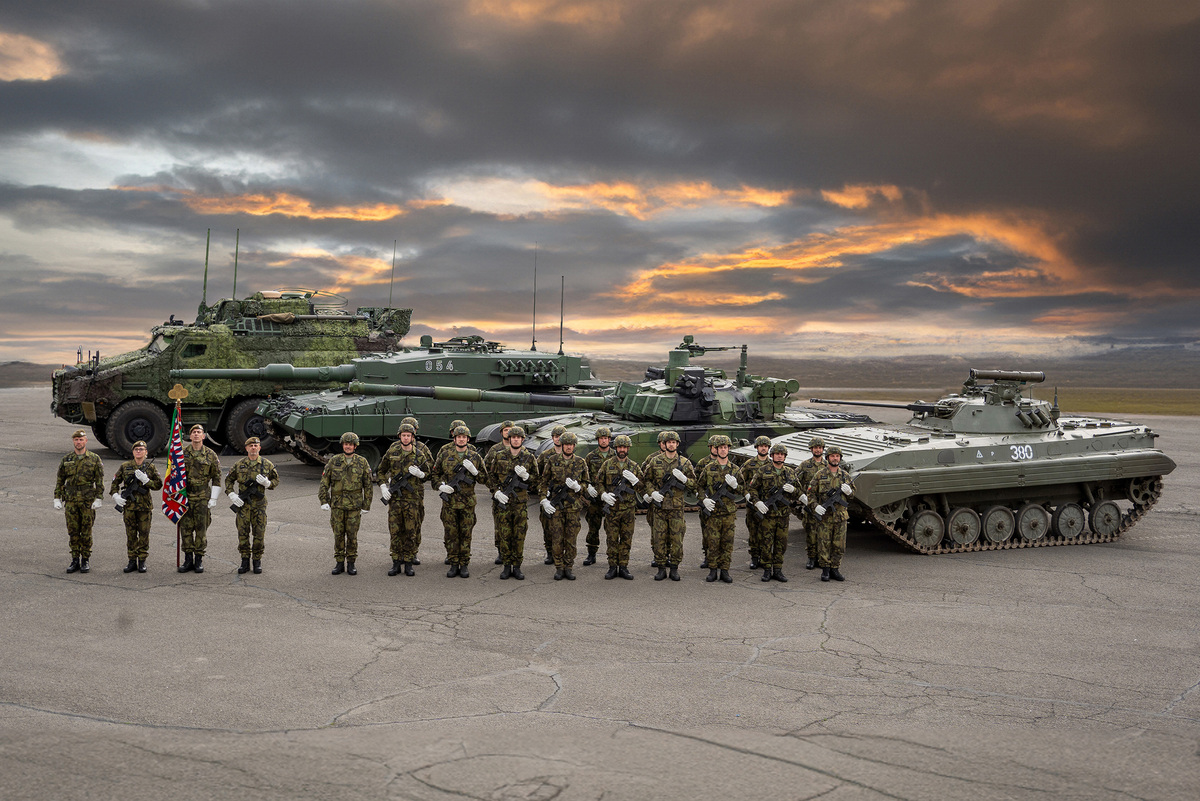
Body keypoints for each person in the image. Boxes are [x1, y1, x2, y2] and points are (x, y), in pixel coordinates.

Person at [485, 424, 539, 580]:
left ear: (522, 439)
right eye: (513, 437)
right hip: (504, 502)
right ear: (510, 439)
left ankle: (517, 567)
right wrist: (496, 492)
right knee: (504, 535)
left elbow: (537, 481)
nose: (515, 440)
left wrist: (527, 477)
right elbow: (491, 477)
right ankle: (506, 566)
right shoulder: (499, 455)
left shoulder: (529, 457)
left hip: (520, 503)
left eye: (518, 437)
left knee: (519, 535)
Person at [433, 424, 487, 577]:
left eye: (464, 437)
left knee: (466, 533)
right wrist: (441, 486)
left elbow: (485, 478)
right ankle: (453, 563)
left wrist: (474, 471)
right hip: (449, 502)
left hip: (467, 503)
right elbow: (435, 476)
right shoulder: (445, 454)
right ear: (454, 438)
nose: (461, 439)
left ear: (468, 439)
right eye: (459, 437)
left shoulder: (475, 457)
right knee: (451, 534)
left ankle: (464, 564)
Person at [641, 430, 696, 581]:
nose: (671, 444)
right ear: (664, 444)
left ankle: (674, 568)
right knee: (659, 538)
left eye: (674, 442)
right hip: (659, 508)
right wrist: (652, 493)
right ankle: (660, 568)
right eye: (668, 442)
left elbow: (694, 484)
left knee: (677, 539)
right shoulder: (655, 461)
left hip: (677, 508)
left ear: (677, 444)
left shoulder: (685, 462)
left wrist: (684, 480)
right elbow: (646, 480)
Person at [377, 423, 431, 576]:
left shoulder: (419, 455)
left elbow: (429, 475)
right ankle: (395, 562)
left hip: (413, 500)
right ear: (399, 436)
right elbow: (381, 471)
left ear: (412, 437)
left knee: (410, 531)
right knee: (395, 531)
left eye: (409, 435)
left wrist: (420, 474)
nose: (406, 437)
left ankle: (408, 562)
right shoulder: (392, 452)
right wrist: (383, 486)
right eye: (403, 435)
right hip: (395, 500)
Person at [319, 432, 374, 576]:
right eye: (345, 444)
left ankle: (351, 563)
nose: (348, 446)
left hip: (354, 506)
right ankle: (339, 563)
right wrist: (323, 500)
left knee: (352, 535)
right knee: (338, 535)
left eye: (350, 444)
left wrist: (366, 505)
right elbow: (325, 482)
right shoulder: (334, 461)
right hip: (337, 505)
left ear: (355, 446)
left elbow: (368, 485)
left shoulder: (362, 462)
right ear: (342, 445)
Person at [538, 431, 589, 580]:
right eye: (566, 444)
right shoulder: (553, 460)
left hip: (573, 508)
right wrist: (543, 500)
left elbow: (586, 483)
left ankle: (569, 567)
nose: (568, 447)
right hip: (557, 508)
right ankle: (559, 567)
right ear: (562, 444)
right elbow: (544, 482)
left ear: (574, 446)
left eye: (571, 445)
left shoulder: (581, 462)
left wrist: (578, 487)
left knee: (571, 539)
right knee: (557, 538)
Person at [225, 436, 280, 575]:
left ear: (259, 448)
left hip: (259, 506)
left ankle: (257, 561)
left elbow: (276, 481)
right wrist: (232, 494)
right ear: (247, 448)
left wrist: (268, 483)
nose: (253, 448)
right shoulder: (239, 465)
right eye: (251, 446)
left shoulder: (266, 464)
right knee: (243, 534)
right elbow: (228, 480)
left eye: (256, 446)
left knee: (259, 534)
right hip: (243, 506)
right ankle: (244, 561)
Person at [54, 429, 104, 574]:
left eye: (81, 440)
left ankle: (85, 560)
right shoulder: (67, 459)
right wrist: (57, 497)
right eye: (76, 440)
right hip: (70, 501)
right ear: (73, 441)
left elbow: (99, 481)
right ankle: (75, 559)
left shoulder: (94, 459)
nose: (78, 442)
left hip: (87, 501)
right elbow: (60, 480)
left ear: (85, 441)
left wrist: (99, 498)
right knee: (73, 531)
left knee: (86, 531)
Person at [109, 440, 163, 573]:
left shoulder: (150, 468)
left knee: (144, 534)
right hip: (129, 507)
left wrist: (146, 481)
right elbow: (115, 482)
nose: (138, 451)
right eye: (136, 449)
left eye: (141, 449)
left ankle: (142, 561)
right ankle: (132, 560)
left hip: (144, 507)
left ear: (146, 452)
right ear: (133, 452)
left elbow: (158, 485)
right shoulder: (125, 466)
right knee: (131, 534)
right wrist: (116, 496)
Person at [748, 443, 799, 582]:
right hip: (767, 515)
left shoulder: (790, 472)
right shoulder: (763, 470)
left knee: (781, 543)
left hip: (783, 515)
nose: (779, 456)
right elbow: (752, 489)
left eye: (782, 454)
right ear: (772, 455)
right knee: (766, 542)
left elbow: (799, 492)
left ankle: (777, 569)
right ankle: (766, 570)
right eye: (777, 454)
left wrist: (793, 490)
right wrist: (757, 502)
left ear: (785, 456)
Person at [596, 434, 643, 580]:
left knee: (626, 539)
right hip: (612, 510)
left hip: (628, 510)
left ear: (628, 448)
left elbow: (643, 487)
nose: (622, 450)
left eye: (624, 447)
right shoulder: (607, 464)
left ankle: (623, 567)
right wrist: (603, 494)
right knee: (611, 539)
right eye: (619, 447)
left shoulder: (634, 466)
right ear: (615, 448)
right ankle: (612, 567)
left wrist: (635, 481)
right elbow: (599, 483)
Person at [178, 424, 222, 573]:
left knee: (201, 529)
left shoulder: (210, 454)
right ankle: (188, 559)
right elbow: (174, 475)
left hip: (203, 496)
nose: (196, 434)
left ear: (203, 436)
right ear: (190, 437)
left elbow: (217, 477)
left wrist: (214, 498)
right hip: (185, 496)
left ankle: (198, 559)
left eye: (199, 432)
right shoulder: (182, 454)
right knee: (186, 529)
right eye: (194, 432)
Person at [808, 445, 856, 582]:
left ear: (840, 458)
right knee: (824, 544)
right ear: (827, 457)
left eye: (837, 456)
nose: (835, 458)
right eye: (832, 456)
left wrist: (849, 492)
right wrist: (815, 506)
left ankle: (835, 569)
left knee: (839, 545)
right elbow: (810, 494)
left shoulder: (845, 476)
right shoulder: (819, 475)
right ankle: (825, 570)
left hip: (840, 516)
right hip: (825, 517)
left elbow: (853, 495)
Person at [697, 434, 740, 583]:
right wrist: (704, 499)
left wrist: (736, 486)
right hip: (713, 513)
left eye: (725, 447)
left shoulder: (734, 469)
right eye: (720, 447)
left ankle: (725, 571)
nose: (723, 450)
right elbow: (699, 486)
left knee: (727, 543)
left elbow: (743, 490)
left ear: (729, 449)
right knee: (713, 542)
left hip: (728, 513)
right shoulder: (709, 468)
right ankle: (713, 570)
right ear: (716, 449)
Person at [399, 416, 431, 565]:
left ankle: (413, 552)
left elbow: (430, 468)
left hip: (416, 492)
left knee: (416, 523)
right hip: (399, 494)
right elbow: (385, 466)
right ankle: (399, 553)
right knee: (399, 525)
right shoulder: (395, 448)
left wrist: (421, 473)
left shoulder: (423, 449)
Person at [483, 420, 515, 564]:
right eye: (505, 430)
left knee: (516, 526)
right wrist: (494, 490)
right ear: (501, 432)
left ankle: (514, 552)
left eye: (511, 430)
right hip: (499, 493)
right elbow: (486, 472)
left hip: (516, 496)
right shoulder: (495, 450)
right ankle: (501, 552)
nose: (508, 432)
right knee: (500, 525)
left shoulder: (521, 449)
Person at [738, 435, 772, 569]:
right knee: (753, 532)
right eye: (761, 446)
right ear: (756, 447)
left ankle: (765, 558)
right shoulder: (749, 464)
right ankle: (755, 557)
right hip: (752, 504)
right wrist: (746, 495)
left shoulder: (773, 464)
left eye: (765, 446)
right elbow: (741, 482)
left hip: (768, 504)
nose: (763, 448)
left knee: (767, 533)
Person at [581, 426, 613, 566]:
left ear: (609, 440)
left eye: (606, 438)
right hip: (595, 499)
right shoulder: (590, 457)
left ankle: (612, 557)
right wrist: (588, 487)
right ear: (598, 440)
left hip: (611, 498)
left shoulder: (615, 456)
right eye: (601, 438)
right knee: (593, 527)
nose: (604, 440)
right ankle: (591, 554)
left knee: (612, 529)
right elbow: (584, 476)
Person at [794, 436, 826, 570]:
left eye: (819, 448)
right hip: (810, 504)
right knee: (811, 533)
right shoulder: (805, 465)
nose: (817, 450)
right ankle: (812, 558)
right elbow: (794, 480)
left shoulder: (827, 465)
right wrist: (801, 495)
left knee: (824, 534)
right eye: (815, 448)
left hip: (824, 505)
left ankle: (822, 558)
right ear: (811, 449)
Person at [537, 424, 567, 565]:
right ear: (552, 438)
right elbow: (537, 475)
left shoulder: (570, 454)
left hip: (565, 497)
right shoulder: (545, 455)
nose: (559, 439)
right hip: (549, 497)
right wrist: (543, 491)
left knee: (565, 528)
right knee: (547, 527)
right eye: (556, 436)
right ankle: (550, 552)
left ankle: (563, 554)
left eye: (561, 437)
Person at [641, 431, 668, 567]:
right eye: (663, 442)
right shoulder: (651, 459)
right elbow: (644, 478)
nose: (665, 445)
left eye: (667, 442)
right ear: (659, 444)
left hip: (670, 502)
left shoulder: (676, 458)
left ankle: (667, 555)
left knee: (670, 531)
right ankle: (657, 555)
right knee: (655, 531)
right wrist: (647, 493)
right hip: (655, 501)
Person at [693, 437, 719, 569]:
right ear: (710, 447)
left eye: (718, 446)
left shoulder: (726, 462)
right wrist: (701, 496)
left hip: (721, 504)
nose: (716, 449)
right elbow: (696, 482)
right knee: (706, 531)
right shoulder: (703, 462)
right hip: (706, 502)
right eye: (714, 446)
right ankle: (707, 556)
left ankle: (719, 558)